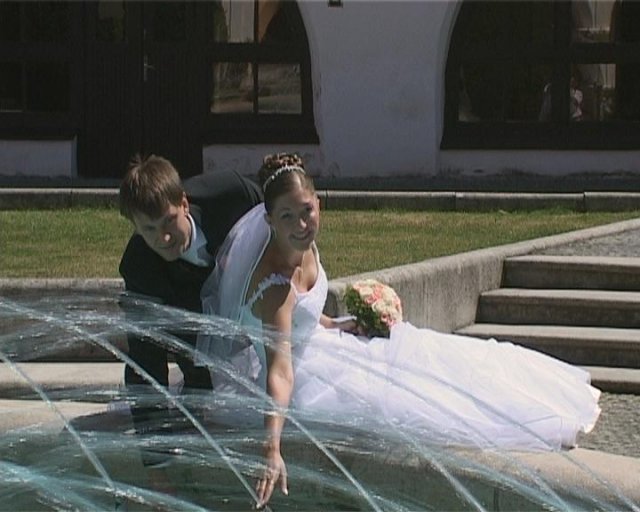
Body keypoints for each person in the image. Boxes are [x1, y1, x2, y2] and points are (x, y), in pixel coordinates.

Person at [197, 152, 601, 508]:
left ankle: (536, 402)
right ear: (269, 219)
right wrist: (271, 447)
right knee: (404, 398)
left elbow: (302, 316)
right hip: (299, 380)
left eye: (307, 210)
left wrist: (336, 323)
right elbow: (280, 369)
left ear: (319, 203)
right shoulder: (274, 286)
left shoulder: (304, 244)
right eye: (287, 216)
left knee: (431, 354)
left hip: (322, 347)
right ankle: (523, 421)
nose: (302, 224)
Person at [117, 153, 262, 477]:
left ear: (184, 203)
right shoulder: (140, 268)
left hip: (265, 328)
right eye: (149, 229)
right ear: (135, 227)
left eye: (169, 220)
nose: (164, 238)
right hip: (203, 362)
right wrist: (157, 464)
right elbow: (145, 363)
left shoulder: (231, 194)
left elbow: (281, 217)